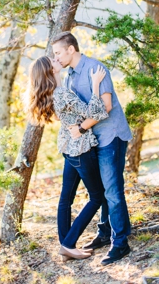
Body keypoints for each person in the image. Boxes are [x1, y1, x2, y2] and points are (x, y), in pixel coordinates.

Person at [52, 31, 134, 265]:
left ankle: (120, 243)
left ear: (71, 49)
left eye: (58, 53)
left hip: (110, 135)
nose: (56, 58)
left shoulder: (95, 69)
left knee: (112, 190)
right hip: (91, 140)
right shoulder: (68, 76)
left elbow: (106, 106)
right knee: (100, 190)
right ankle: (104, 233)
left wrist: (80, 128)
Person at [27, 56, 109, 262]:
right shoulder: (61, 93)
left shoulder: (54, 93)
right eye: (52, 60)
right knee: (97, 197)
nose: (57, 60)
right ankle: (68, 244)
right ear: (50, 70)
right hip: (80, 149)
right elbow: (96, 112)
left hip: (68, 148)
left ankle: (66, 247)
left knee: (66, 199)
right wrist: (97, 84)